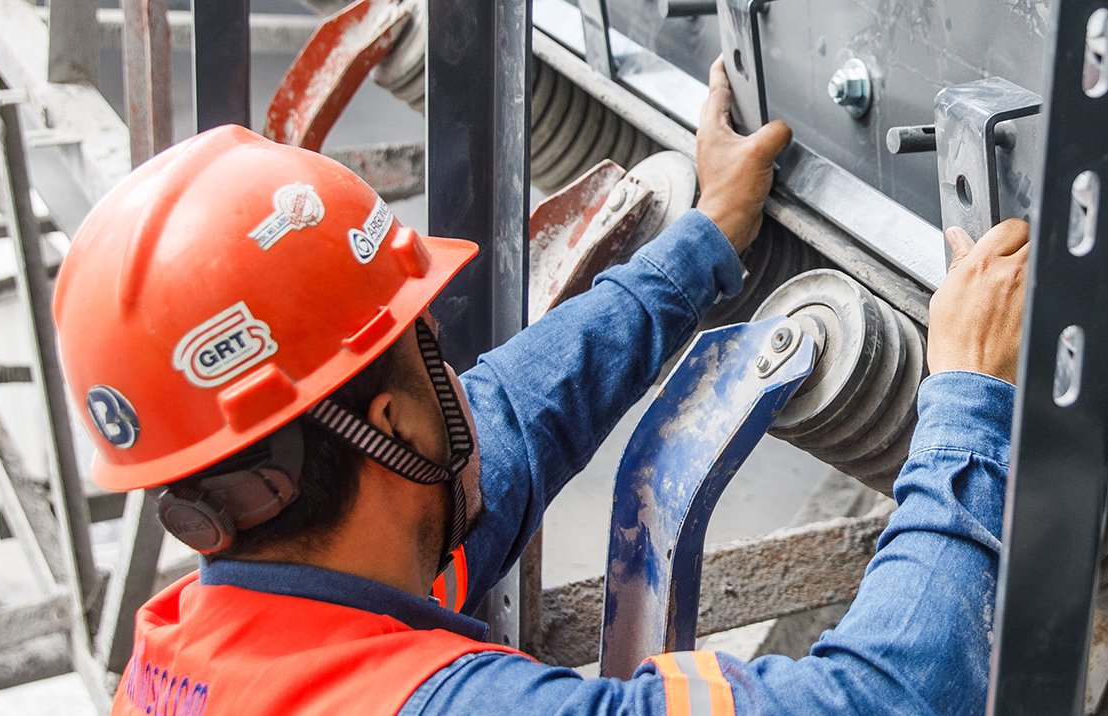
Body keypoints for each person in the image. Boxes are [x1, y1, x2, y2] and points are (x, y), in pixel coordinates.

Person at [59, 58, 1033, 715]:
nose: (463, 383)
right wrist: (965, 396)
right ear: (392, 424)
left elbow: (522, 409)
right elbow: (894, 695)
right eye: (429, 351)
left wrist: (702, 241)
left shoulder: (216, 636)